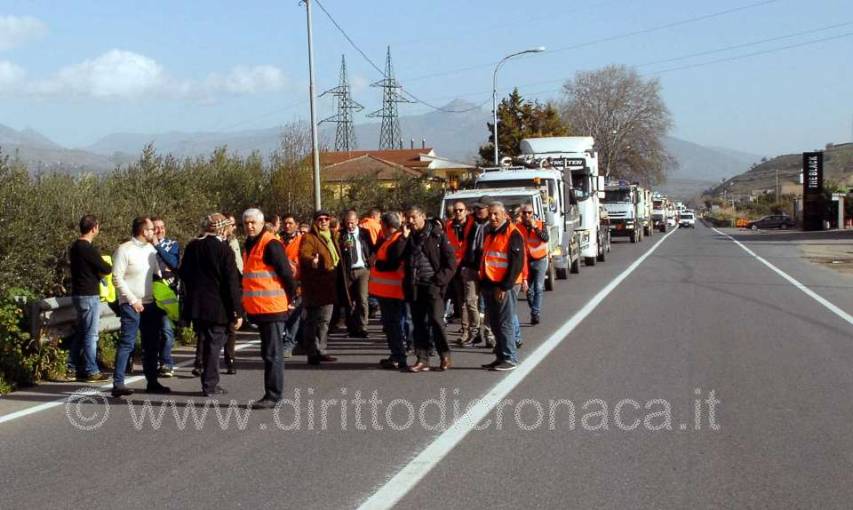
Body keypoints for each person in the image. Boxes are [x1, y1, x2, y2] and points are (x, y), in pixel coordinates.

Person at [179, 214, 242, 397]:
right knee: (214, 344)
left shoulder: (193, 246)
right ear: (221, 229)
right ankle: (210, 384)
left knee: (205, 342)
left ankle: (207, 380)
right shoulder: (224, 250)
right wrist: (237, 310)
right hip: (218, 305)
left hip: (197, 304)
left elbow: (184, 273)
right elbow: (231, 283)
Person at [242, 208, 297, 409]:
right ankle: (271, 393)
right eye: (246, 223)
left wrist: (290, 299)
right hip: (260, 309)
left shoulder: (270, 244)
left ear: (262, 222)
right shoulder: (249, 244)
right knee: (267, 353)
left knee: (273, 353)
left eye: (253, 222)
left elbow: (286, 275)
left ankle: (273, 395)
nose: (249, 226)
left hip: (272, 308)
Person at [111, 216, 170, 397]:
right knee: (127, 342)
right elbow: (117, 277)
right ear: (144, 231)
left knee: (151, 344)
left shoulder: (151, 249)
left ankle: (152, 381)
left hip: (150, 303)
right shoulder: (124, 250)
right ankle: (118, 383)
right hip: (131, 303)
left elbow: (157, 274)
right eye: (152, 229)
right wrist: (132, 300)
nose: (155, 231)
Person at [402, 206, 456, 373]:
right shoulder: (408, 237)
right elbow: (398, 257)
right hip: (415, 286)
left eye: (413, 217)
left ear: (423, 217)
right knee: (418, 324)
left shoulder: (437, 235)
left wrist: (439, 281)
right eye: (408, 218)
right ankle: (422, 358)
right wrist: (403, 239)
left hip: (433, 285)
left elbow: (451, 262)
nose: (410, 221)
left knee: (436, 320)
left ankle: (444, 355)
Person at [299, 210, 351, 365]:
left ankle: (321, 350)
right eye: (320, 219)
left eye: (326, 219)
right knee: (313, 321)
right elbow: (304, 255)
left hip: (330, 285)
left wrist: (345, 247)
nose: (323, 221)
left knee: (325, 321)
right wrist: (311, 261)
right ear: (315, 221)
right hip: (316, 286)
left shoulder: (333, 236)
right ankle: (312, 352)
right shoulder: (309, 238)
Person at [65, 215, 112, 382]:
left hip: (78, 294)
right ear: (94, 228)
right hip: (89, 295)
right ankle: (91, 370)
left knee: (82, 332)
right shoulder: (87, 248)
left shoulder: (75, 246)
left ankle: (72, 367)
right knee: (91, 334)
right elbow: (106, 268)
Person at [480, 202, 525, 371]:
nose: (492, 217)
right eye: (490, 214)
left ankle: (510, 357)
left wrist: (504, 286)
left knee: (505, 322)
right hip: (490, 284)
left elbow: (516, 264)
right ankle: (500, 356)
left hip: (505, 285)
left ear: (504, 214)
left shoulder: (512, 233)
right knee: (495, 322)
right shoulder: (490, 232)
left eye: (496, 214)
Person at [369, 212, 408, 369]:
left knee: (394, 326)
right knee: (392, 325)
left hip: (393, 291)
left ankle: (399, 356)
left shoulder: (397, 240)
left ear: (385, 225)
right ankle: (396, 354)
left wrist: (376, 263)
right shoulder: (391, 239)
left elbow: (392, 263)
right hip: (387, 291)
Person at [461, 202, 493, 348]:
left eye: (482, 208)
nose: (478, 211)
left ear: (488, 209)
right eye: (477, 208)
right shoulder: (471, 223)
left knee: (488, 304)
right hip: (470, 267)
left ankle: (489, 334)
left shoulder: (493, 226)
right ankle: (475, 333)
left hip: (487, 270)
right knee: (470, 301)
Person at [151, 217, 180, 378]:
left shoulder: (172, 244)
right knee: (152, 331)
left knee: (167, 331)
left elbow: (173, 263)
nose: (160, 230)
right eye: (156, 228)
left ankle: (167, 362)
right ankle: (153, 360)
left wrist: (158, 248)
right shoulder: (145, 246)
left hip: (167, 294)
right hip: (149, 294)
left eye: (162, 227)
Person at [444, 201, 476, 345]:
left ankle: (475, 331)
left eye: (461, 210)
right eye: (456, 210)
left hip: (469, 268)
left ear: (466, 211)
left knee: (471, 302)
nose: (458, 213)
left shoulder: (473, 225)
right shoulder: (448, 226)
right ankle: (465, 331)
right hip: (455, 268)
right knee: (461, 302)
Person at [339, 209, 373, 338]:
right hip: (347, 270)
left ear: (357, 221)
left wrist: (370, 260)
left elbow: (371, 248)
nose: (350, 226)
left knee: (362, 299)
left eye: (352, 223)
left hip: (362, 270)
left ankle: (362, 326)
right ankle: (351, 328)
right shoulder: (341, 235)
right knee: (348, 300)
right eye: (347, 223)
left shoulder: (365, 233)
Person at [516, 203, 550, 325]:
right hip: (525, 261)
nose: (527, 215)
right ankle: (534, 309)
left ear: (533, 213)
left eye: (529, 213)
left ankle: (535, 313)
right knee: (528, 291)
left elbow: (545, 238)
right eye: (525, 213)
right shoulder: (518, 227)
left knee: (539, 288)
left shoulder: (541, 224)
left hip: (540, 260)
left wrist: (535, 228)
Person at [280, 214, 303, 357]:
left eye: (290, 223)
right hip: (282, 283)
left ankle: (289, 343)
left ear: (296, 225)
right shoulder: (278, 241)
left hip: (298, 283)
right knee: (285, 313)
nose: (287, 226)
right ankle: (292, 342)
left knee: (295, 314)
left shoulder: (302, 241)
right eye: (285, 223)